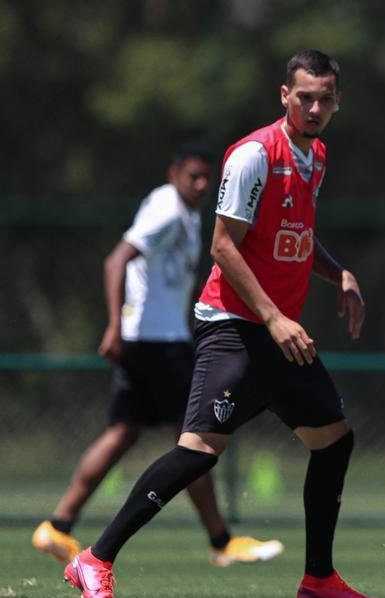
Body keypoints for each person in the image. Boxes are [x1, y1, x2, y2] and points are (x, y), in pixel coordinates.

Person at [64, 50, 382, 598]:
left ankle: (319, 579)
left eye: (324, 99)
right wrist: (276, 317)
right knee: (199, 451)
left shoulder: (318, 156)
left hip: (279, 334)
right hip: (235, 327)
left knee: (334, 441)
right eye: (303, 97)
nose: (313, 108)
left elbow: (296, 239)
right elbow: (223, 246)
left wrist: (340, 274)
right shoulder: (255, 155)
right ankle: (94, 559)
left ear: (337, 102)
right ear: (284, 96)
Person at [32, 142, 283, 570]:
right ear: (174, 174)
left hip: (149, 342)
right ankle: (221, 540)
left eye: (208, 178)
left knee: (123, 434)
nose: (202, 185)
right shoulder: (167, 208)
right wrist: (114, 324)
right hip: (158, 344)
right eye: (193, 176)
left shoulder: (181, 212)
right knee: (197, 441)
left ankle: (58, 526)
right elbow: (117, 260)